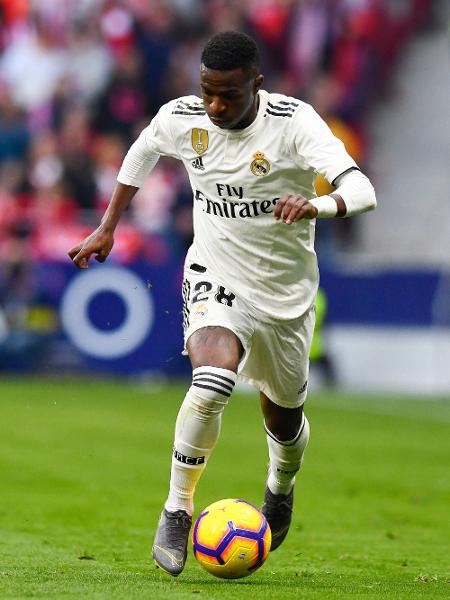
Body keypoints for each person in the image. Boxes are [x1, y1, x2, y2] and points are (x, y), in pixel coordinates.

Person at [68, 31, 376, 577]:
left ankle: (280, 489)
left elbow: (362, 190)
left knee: (284, 418)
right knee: (212, 381)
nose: (214, 106)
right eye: (207, 91)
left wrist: (317, 204)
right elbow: (142, 150)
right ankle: (176, 508)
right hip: (215, 273)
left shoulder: (293, 123)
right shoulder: (185, 117)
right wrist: (108, 225)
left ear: (256, 85)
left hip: (285, 294)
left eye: (228, 95)